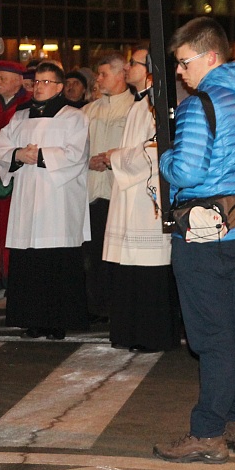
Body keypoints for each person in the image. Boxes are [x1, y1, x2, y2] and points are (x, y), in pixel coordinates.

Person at [154, 17, 235, 464]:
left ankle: (207, 432)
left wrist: (164, 156)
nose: (180, 72)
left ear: (210, 56)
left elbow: (187, 170)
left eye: (184, 62)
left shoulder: (202, 104)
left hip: (202, 232)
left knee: (211, 335)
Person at [0, 62, 90, 340]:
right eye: (36, 82)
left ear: (59, 87)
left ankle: (58, 321)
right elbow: (1, 148)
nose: (38, 87)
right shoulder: (20, 116)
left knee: (56, 259)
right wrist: (17, 155)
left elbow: (76, 154)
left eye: (46, 82)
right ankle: (31, 319)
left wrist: (41, 155)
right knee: (29, 259)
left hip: (58, 199)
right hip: (26, 195)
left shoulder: (74, 116)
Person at [101, 49, 180, 353]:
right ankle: (129, 332)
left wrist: (115, 157)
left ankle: (152, 335)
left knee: (148, 267)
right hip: (129, 193)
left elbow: (159, 148)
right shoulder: (139, 103)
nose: (127, 67)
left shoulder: (158, 102)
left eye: (132, 63)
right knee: (129, 266)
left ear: (148, 69)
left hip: (148, 197)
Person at [82, 52, 135, 323]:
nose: (98, 80)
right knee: (94, 254)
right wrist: (87, 160)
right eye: (98, 75)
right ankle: (96, 306)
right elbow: (75, 149)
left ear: (121, 73)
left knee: (120, 254)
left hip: (120, 191)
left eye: (103, 74)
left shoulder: (135, 108)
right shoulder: (88, 111)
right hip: (93, 192)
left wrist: (113, 160)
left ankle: (119, 306)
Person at [0, 60, 29, 292]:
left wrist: (4, 167)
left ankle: (12, 278)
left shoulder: (27, 106)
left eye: (2, 78)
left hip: (18, 178)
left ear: (18, 81)